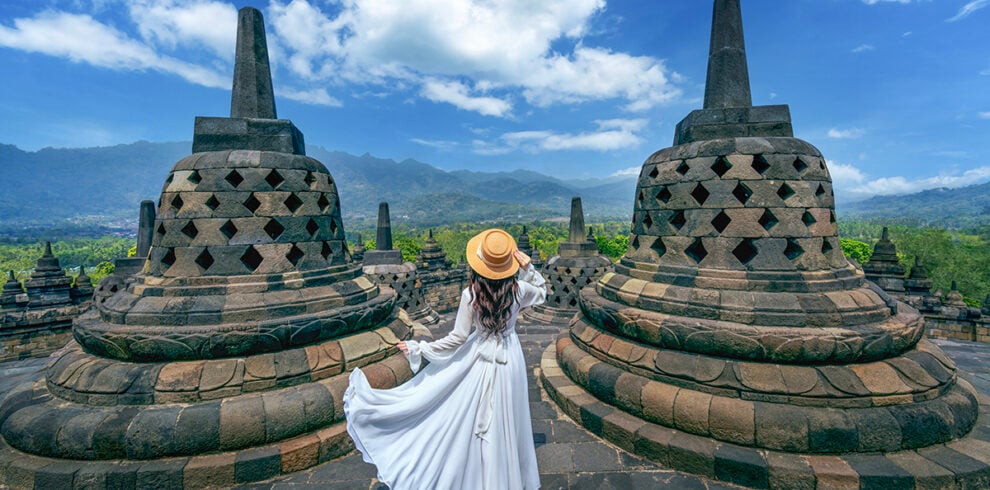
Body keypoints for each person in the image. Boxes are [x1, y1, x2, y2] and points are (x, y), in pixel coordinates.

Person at [344, 228, 547, 489]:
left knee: (473, 414)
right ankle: (503, 473)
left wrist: (420, 348)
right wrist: (528, 267)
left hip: (479, 357)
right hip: (510, 357)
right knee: (507, 413)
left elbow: (457, 338)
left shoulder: (471, 295)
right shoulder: (520, 291)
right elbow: (543, 291)